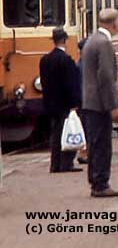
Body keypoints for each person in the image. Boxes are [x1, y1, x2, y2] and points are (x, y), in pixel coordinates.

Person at [81, 9, 118, 197]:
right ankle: (101, 183)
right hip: (100, 103)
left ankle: (95, 181)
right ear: (115, 23)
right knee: (102, 144)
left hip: (90, 101)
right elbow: (106, 76)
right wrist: (112, 105)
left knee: (95, 143)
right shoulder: (104, 43)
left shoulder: (92, 40)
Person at [39, 27, 82, 173]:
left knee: (56, 133)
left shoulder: (45, 60)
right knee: (67, 133)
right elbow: (70, 85)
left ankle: (54, 164)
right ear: (64, 40)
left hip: (50, 104)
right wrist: (74, 104)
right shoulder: (66, 60)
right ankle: (66, 163)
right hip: (65, 104)